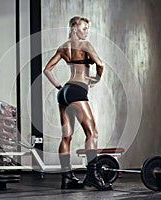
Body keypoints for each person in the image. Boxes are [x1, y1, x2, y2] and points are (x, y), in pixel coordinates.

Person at [43, 16, 112, 190]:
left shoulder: (63, 47)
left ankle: (67, 178)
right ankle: (93, 177)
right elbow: (101, 64)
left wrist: (59, 86)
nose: (87, 32)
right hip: (77, 91)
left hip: (64, 92)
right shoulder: (85, 46)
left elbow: (47, 69)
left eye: (88, 28)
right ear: (74, 28)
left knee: (66, 136)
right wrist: (96, 78)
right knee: (93, 133)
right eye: (84, 28)